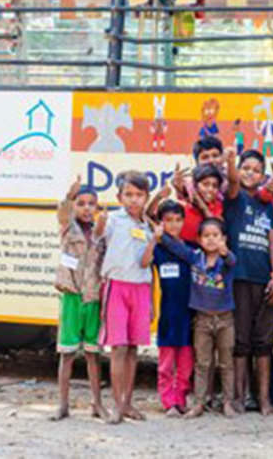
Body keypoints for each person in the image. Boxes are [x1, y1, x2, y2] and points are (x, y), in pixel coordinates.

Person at [152, 217, 238, 419]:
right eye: (206, 236)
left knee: (226, 363)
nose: (211, 240)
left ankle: (227, 402)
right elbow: (176, 248)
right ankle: (199, 403)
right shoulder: (194, 257)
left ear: (223, 238)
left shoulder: (225, 260)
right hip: (201, 320)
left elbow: (232, 261)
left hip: (225, 319)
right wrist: (160, 235)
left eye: (215, 235)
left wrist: (225, 251)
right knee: (202, 363)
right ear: (199, 239)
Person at [224, 148, 273, 414]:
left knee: (263, 342)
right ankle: (239, 396)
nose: (250, 173)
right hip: (239, 279)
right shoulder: (234, 199)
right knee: (241, 341)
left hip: (264, 280)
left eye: (256, 170)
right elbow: (233, 181)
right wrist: (229, 161)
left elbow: (272, 242)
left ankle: (264, 399)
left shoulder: (268, 205)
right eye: (246, 168)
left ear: (263, 175)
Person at [94, 170, 153, 424]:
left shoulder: (148, 225)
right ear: (119, 196)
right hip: (116, 287)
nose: (133, 200)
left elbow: (145, 261)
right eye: (128, 195)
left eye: (139, 195)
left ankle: (128, 402)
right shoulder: (112, 221)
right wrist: (100, 222)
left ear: (146, 197)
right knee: (117, 347)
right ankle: (116, 404)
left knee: (133, 349)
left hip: (141, 289)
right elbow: (97, 235)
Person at [52, 176, 105, 421]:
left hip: (93, 297)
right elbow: (62, 212)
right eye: (80, 203)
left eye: (90, 204)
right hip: (72, 297)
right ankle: (63, 405)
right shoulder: (68, 228)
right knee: (67, 354)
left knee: (94, 354)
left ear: (97, 207)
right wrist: (68, 196)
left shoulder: (100, 233)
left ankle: (97, 403)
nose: (86, 208)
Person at [142, 200, 195, 417]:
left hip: (189, 312)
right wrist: (150, 305)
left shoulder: (191, 249)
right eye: (168, 220)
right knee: (165, 362)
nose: (174, 225)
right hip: (168, 312)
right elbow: (148, 272)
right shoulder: (161, 251)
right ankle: (167, 400)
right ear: (161, 223)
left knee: (185, 362)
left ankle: (181, 398)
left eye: (178, 220)